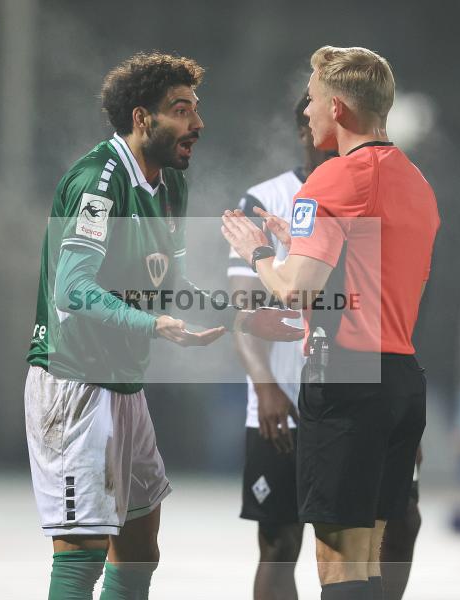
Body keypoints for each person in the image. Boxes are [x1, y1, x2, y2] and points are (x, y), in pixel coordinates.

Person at [25, 52, 301, 600]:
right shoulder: (98, 184)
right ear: (141, 119)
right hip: (74, 386)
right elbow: (71, 289)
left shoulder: (170, 185)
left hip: (124, 387)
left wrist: (242, 316)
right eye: (181, 110)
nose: (197, 123)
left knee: (141, 543)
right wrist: (151, 325)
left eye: (196, 109)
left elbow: (170, 284)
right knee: (81, 554)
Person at [222, 46, 440, 600]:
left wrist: (258, 253)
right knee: (371, 561)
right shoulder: (416, 182)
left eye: (315, 100)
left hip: (345, 382)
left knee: (340, 567)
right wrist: (299, 241)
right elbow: (370, 278)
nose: (308, 113)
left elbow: (296, 289)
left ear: (339, 108)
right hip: (401, 380)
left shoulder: (332, 181)